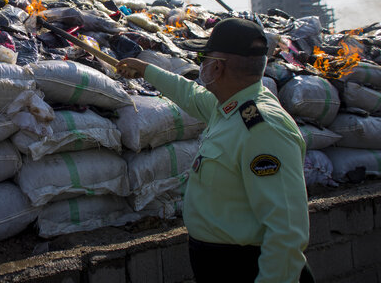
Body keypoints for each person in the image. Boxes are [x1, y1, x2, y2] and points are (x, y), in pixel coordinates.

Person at [116, 18, 313, 283]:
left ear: (217, 66)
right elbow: (189, 93)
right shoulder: (230, 107)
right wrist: (145, 70)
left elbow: (286, 231)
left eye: (204, 58)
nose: (201, 65)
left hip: (245, 268)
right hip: (216, 264)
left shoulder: (263, 128)